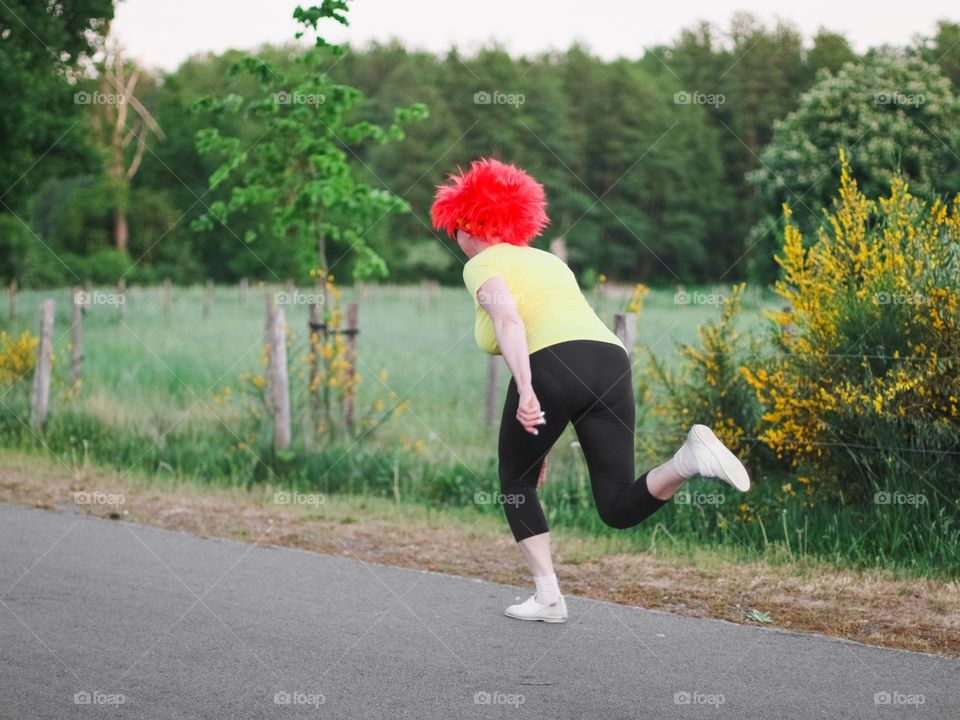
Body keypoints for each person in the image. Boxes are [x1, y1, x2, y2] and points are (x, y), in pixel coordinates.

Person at [431, 158, 750, 623]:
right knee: (617, 505)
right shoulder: (547, 262)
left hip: (552, 364)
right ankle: (688, 460)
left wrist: (525, 390)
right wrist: (536, 446)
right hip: (610, 360)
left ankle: (548, 597)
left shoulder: (482, 264)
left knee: (514, 483)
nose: (455, 241)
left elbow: (509, 321)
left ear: (467, 224)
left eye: (453, 231)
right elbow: (558, 328)